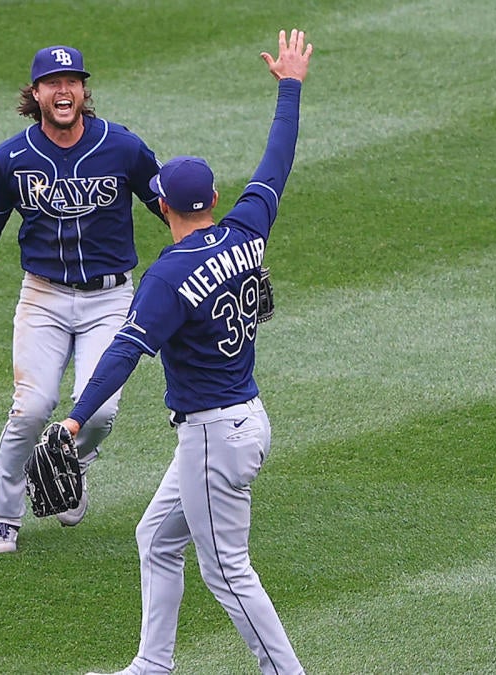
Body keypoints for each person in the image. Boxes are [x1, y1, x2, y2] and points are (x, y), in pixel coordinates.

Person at [57, 29, 313, 675]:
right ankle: (152, 664)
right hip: (247, 417)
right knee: (156, 538)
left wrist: (74, 416)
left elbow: (122, 352)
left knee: (227, 571)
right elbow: (275, 162)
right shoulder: (246, 229)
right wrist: (290, 86)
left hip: (212, 435)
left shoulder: (169, 276)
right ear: (216, 201)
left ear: (162, 205)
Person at [0, 44, 165, 554]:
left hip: (110, 300)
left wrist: (210, 249)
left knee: (102, 411)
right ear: (36, 94)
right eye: (52, 83)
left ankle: (72, 468)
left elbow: (165, 205)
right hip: (42, 297)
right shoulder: (12, 158)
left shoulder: (123, 147)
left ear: (85, 91)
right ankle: (5, 515)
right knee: (31, 408)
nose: (63, 90)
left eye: (73, 81)